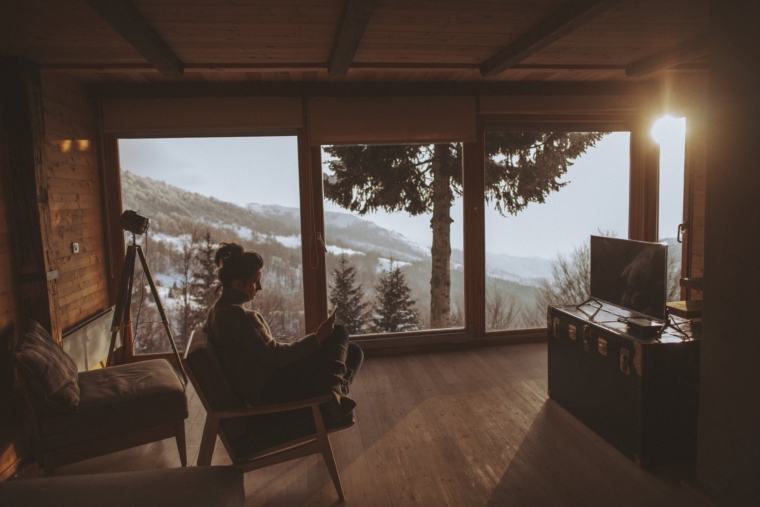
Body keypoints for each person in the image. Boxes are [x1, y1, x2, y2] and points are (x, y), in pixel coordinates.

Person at [203, 243, 363, 423]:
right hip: (272, 388)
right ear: (238, 284)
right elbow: (277, 356)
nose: (260, 287)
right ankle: (332, 395)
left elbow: (262, 350)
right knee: (340, 332)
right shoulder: (238, 317)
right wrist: (318, 337)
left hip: (264, 384)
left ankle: (333, 395)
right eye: (256, 282)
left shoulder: (217, 311)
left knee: (354, 350)